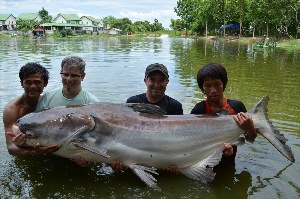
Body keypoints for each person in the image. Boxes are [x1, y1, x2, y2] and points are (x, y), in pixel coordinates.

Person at [35, 55, 99, 166]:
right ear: (61, 73)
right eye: (65, 74)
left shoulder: (92, 102)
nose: (68, 79)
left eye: (74, 75)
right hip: (52, 155)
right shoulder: (48, 98)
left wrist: (89, 159)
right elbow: (38, 126)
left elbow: (98, 138)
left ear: (82, 76)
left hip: (79, 155)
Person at [191, 63, 257, 165]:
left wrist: (250, 128)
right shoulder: (198, 110)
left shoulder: (237, 107)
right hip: (204, 164)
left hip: (229, 161)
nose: (213, 90)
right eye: (207, 86)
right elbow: (192, 142)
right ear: (202, 88)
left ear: (224, 84)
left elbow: (250, 138)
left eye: (217, 84)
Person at [3, 62, 60, 157]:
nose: (33, 86)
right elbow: (11, 148)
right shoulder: (12, 110)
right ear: (22, 83)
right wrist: (34, 153)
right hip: (26, 152)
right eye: (28, 82)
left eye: (37, 82)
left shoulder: (50, 103)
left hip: (49, 148)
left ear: (45, 83)